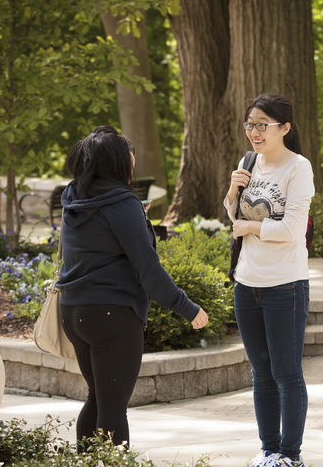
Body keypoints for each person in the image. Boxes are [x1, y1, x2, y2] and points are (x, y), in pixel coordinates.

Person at [58, 125, 209, 450]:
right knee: (112, 407)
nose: (132, 165)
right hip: (112, 314)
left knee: (98, 398)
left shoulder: (75, 198)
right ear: (115, 164)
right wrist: (187, 307)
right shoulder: (121, 203)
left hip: (75, 311)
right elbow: (148, 269)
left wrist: (136, 218)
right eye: (128, 159)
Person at [224, 93, 315, 467]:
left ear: (285, 128)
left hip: (285, 286)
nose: (254, 132)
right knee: (260, 373)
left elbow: (292, 229)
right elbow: (233, 214)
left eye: (263, 124)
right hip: (247, 283)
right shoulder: (247, 163)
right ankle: (269, 451)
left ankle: (290, 455)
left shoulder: (298, 168)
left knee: (286, 373)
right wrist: (232, 191)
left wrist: (249, 228)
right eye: (250, 125)